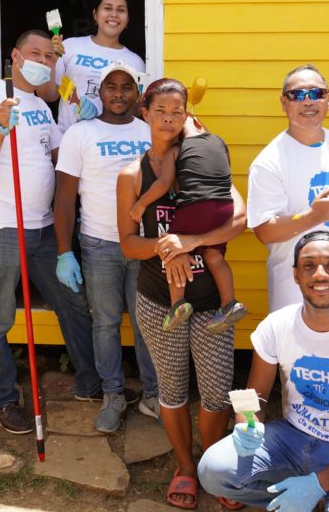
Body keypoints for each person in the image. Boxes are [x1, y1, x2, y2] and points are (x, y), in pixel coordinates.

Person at [198, 230, 329, 512]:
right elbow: (255, 394)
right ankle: (291, 498)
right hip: (290, 439)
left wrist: (317, 484)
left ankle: (318, 491)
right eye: (309, 266)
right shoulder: (277, 325)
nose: (320, 274)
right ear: (296, 275)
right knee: (213, 470)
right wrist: (246, 422)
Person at [117, 78, 246, 510]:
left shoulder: (205, 154)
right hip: (159, 300)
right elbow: (127, 244)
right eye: (160, 111)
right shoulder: (132, 174)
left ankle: (215, 467)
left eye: (177, 110)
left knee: (215, 393)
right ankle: (186, 467)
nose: (169, 118)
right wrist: (162, 246)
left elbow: (239, 220)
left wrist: (188, 242)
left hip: (210, 301)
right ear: (144, 113)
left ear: (187, 112)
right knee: (172, 392)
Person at [0, 29, 99, 434]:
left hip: (41, 227)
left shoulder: (41, 104)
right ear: (16, 57)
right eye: (34, 53)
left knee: (73, 304)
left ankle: (90, 384)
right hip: (2, 226)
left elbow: (61, 159)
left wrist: (90, 124)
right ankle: (4, 400)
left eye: (49, 55)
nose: (43, 60)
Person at [54, 63, 158, 433]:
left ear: (137, 92)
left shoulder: (151, 131)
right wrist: (65, 251)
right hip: (99, 245)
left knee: (148, 325)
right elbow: (65, 198)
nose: (118, 93)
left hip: (145, 244)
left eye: (126, 86)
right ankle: (113, 394)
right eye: (110, 86)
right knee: (106, 324)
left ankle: (152, 394)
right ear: (100, 92)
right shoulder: (81, 133)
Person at [247, 64, 329, 311]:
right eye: (297, 95)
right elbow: (264, 231)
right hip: (298, 295)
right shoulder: (269, 162)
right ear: (283, 102)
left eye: (316, 93)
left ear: (328, 99)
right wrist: (314, 216)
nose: (308, 102)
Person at [129, 113, 247, 333]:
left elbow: (164, 184)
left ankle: (178, 304)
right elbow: (224, 175)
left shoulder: (175, 151)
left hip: (195, 207)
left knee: (174, 247)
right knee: (214, 255)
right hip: (223, 207)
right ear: (201, 124)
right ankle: (230, 303)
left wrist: (142, 203)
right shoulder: (220, 143)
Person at [47, 0, 146, 132]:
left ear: (128, 18)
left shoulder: (135, 62)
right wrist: (51, 62)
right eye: (107, 8)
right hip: (69, 138)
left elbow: (136, 111)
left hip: (112, 141)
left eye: (121, 10)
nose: (114, 14)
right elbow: (49, 95)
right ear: (95, 14)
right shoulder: (69, 46)